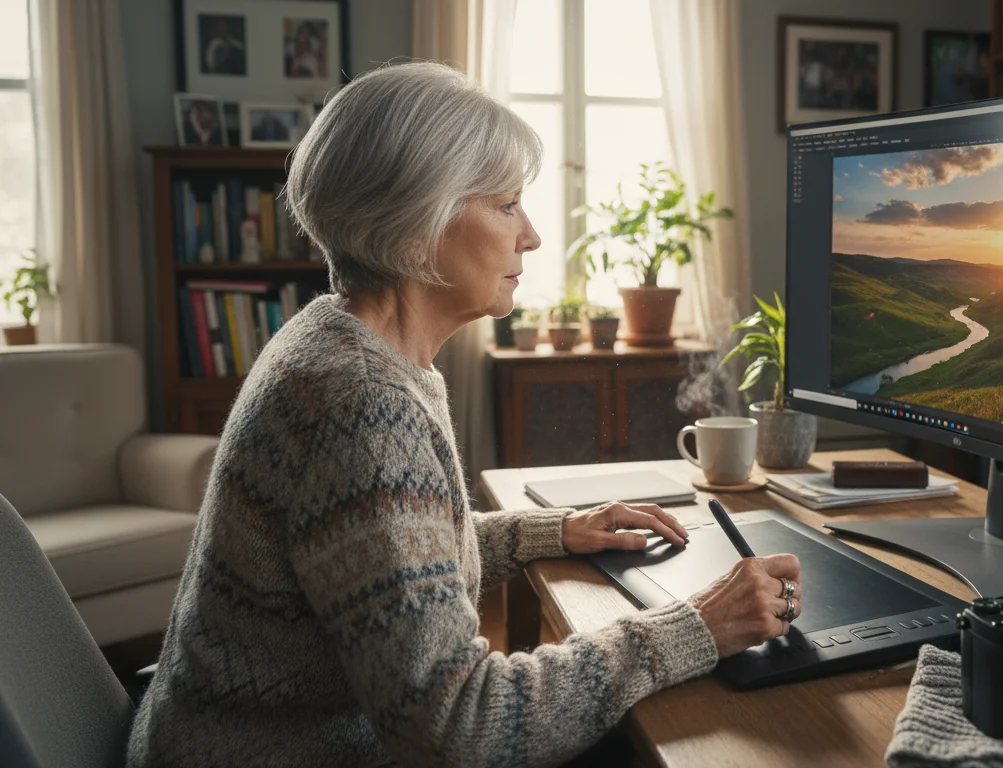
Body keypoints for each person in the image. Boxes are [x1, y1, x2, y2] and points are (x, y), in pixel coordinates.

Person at [127, 61, 801, 767]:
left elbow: (384, 553)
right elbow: (458, 726)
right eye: (507, 205)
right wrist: (695, 625)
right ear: (418, 221)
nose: (532, 236)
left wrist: (557, 530)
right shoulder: (362, 407)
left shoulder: (339, 341)